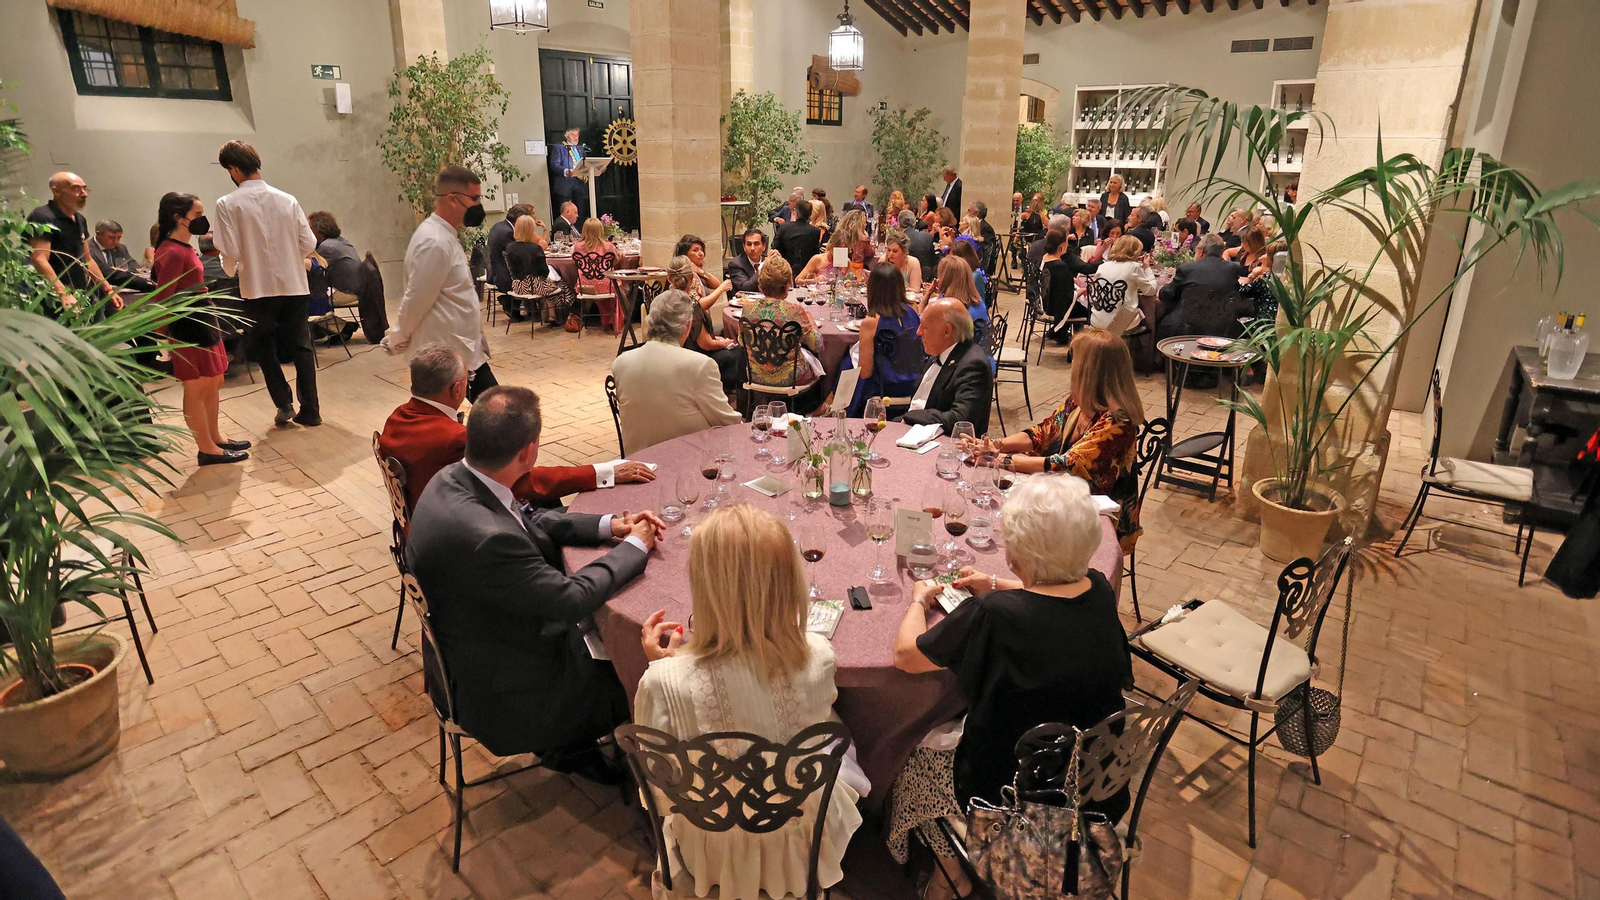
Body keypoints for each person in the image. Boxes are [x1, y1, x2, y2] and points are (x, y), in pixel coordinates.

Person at [887, 475, 1131, 899]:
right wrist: (997, 583)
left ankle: (952, 876)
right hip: (1093, 783)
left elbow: (906, 655)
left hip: (1011, 795)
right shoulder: (1099, 589)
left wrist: (918, 600)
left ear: (1018, 553)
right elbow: (1053, 595)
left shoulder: (994, 616)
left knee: (914, 762)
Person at [406, 385, 660, 777]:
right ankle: (571, 748)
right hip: (510, 693)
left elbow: (526, 517)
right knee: (643, 670)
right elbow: (571, 598)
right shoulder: (489, 539)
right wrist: (635, 546)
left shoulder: (453, 477)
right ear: (528, 451)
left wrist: (609, 525)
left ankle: (572, 747)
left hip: (480, 646)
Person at [634, 504, 867, 898]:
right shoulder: (819, 656)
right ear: (789, 581)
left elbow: (659, 792)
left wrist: (664, 669)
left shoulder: (662, 681)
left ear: (704, 587)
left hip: (712, 848)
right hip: (798, 839)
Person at [380, 345, 653, 512]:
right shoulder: (454, 439)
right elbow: (522, 483)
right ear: (458, 388)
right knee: (568, 516)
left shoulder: (396, 418)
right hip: (462, 534)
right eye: (469, 377)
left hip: (420, 525)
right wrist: (603, 472)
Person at [968, 327, 1145, 543]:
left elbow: (1065, 464)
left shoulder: (1118, 422)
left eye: (1075, 359)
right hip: (1064, 501)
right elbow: (1043, 432)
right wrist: (995, 445)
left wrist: (999, 460)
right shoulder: (1078, 402)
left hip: (1096, 522)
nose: (1072, 366)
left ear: (1089, 370)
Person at [213, 141, 321, 427]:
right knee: (302, 346)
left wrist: (232, 266)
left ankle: (284, 404)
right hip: (294, 284)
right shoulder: (287, 200)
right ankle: (311, 411)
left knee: (263, 346)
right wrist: (289, 258)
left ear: (233, 169)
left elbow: (230, 250)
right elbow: (309, 242)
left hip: (256, 286)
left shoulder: (227, 204)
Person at [151, 192, 248, 466]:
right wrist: (164, 333)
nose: (202, 220)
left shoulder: (183, 248)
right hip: (188, 322)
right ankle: (206, 448)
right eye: (197, 215)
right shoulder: (172, 251)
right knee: (197, 385)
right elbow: (165, 296)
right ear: (178, 218)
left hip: (201, 316)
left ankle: (215, 437)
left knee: (214, 380)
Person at [384, 166, 497, 400]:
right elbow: (416, 299)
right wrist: (398, 337)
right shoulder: (434, 241)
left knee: (494, 412)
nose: (479, 205)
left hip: (461, 351)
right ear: (452, 199)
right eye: (474, 198)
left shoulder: (446, 234)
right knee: (497, 412)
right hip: (444, 355)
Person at [611, 290, 742, 451]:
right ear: (688, 327)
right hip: (686, 458)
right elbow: (727, 422)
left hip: (636, 460)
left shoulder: (620, 363)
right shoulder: (699, 366)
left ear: (650, 321)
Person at [27, 172, 117, 317]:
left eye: (84, 189)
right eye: (76, 189)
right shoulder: (43, 217)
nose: (84, 194)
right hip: (54, 298)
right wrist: (63, 293)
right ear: (56, 191)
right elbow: (39, 259)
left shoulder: (80, 219)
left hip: (81, 294)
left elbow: (87, 260)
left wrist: (108, 288)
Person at [900, 297, 992, 435]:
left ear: (946, 331)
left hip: (941, 440)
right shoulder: (941, 351)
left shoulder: (973, 365)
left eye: (924, 327)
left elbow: (961, 419)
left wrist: (911, 416)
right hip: (915, 430)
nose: (918, 332)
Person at [848, 262, 925, 415]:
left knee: (845, 366)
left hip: (885, 390)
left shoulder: (871, 322)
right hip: (914, 386)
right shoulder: (913, 311)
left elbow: (865, 372)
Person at [743, 255, 823, 393]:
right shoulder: (795, 311)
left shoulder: (747, 309)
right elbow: (818, 345)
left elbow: (741, 340)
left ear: (760, 286)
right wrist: (811, 322)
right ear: (787, 286)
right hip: (792, 378)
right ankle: (820, 402)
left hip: (755, 375)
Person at [667, 255, 743, 395]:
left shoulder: (664, 301)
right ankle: (731, 393)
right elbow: (706, 344)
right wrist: (725, 342)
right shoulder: (692, 305)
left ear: (669, 278)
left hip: (670, 354)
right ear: (692, 278)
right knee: (739, 351)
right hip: (694, 358)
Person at [1156, 233, 1252, 341]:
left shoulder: (1187, 268)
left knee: (1161, 320)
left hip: (1187, 327)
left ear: (1201, 251)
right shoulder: (1233, 268)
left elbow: (1167, 294)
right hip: (1223, 327)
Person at [506, 214, 570, 326]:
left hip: (517, 285)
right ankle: (560, 314)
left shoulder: (510, 247)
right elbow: (544, 272)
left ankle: (550, 314)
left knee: (549, 284)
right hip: (534, 286)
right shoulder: (535, 248)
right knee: (562, 285)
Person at [1084, 235, 1156, 331]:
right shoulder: (1134, 267)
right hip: (1120, 323)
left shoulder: (1103, 266)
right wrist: (1147, 268)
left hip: (1097, 320)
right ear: (1135, 252)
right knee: (1151, 317)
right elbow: (1150, 291)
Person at [1041, 226, 1100, 337]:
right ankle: (1075, 337)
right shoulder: (1060, 266)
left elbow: (1051, 279)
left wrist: (1070, 279)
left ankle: (1060, 333)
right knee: (1089, 308)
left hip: (1045, 301)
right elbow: (1067, 297)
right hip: (1055, 308)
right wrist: (1082, 291)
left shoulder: (1045, 258)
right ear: (1062, 246)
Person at [797, 209, 874, 283]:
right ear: (832, 246)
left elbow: (855, 281)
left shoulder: (846, 262)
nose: (840, 252)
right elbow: (798, 280)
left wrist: (850, 282)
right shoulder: (818, 259)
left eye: (844, 250)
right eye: (838, 249)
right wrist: (813, 280)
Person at [575, 217, 623, 333]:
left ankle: (600, 318)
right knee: (620, 286)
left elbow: (576, 262)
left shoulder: (578, 247)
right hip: (606, 285)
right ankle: (615, 320)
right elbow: (616, 260)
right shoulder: (608, 246)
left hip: (585, 286)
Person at [486, 204, 534, 320]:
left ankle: (520, 305)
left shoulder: (498, 226)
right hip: (503, 275)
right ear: (519, 220)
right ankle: (528, 308)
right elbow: (517, 256)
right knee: (538, 274)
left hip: (494, 270)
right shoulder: (508, 232)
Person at [306, 211, 364, 298]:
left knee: (307, 298)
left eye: (310, 229)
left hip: (346, 293)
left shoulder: (327, 247)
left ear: (318, 230)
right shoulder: (341, 241)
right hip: (356, 290)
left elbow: (314, 271)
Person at [89, 220, 156, 292]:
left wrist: (122, 272)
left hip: (122, 289)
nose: (116, 242)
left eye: (119, 238)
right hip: (98, 291)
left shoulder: (121, 248)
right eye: (111, 237)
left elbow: (135, 268)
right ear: (98, 234)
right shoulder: (87, 249)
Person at [774, 199, 822, 277]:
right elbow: (815, 252)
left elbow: (775, 247)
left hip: (784, 270)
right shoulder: (815, 231)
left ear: (796, 212)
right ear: (810, 214)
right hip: (806, 272)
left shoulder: (784, 227)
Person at [549, 127, 588, 221]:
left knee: (579, 212)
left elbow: (585, 163)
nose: (576, 137)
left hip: (579, 184)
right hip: (564, 185)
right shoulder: (559, 147)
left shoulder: (580, 148)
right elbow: (554, 165)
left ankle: (579, 229)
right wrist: (566, 171)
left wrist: (598, 168)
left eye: (577, 135)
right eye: (573, 135)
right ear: (567, 136)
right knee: (566, 212)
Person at [724, 228, 766, 294]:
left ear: (764, 246)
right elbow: (746, 288)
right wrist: (762, 267)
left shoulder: (768, 260)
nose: (752, 248)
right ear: (744, 247)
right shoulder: (736, 264)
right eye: (749, 244)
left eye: (756, 244)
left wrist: (778, 261)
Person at [900, 209, 938, 278]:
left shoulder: (900, 239)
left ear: (899, 224)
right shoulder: (927, 236)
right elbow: (933, 260)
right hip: (927, 276)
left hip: (906, 276)